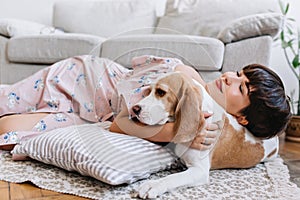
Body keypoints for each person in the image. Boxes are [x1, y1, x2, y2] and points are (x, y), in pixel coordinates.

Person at [0, 55, 291, 153]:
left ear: (243, 119)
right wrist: (179, 133)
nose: (228, 77)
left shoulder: (213, 122)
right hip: (81, 80)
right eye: (237, 74)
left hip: (90, 118)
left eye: (241, 87)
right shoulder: (185, 77)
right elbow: (123, 123)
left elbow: (113, 127)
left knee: (7, 134)